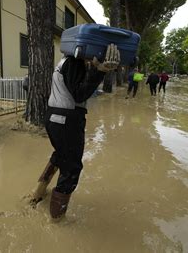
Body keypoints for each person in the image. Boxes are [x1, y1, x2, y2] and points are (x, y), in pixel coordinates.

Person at [30, 44, 120, 219]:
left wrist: (95, 69)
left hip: (55, 118)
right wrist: (100, 71)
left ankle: (37, 193)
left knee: (61, 155)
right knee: (71, 167)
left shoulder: (66, 61)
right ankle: (56, 219)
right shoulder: (74, 63)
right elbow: (79, 94)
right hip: (66, 120)